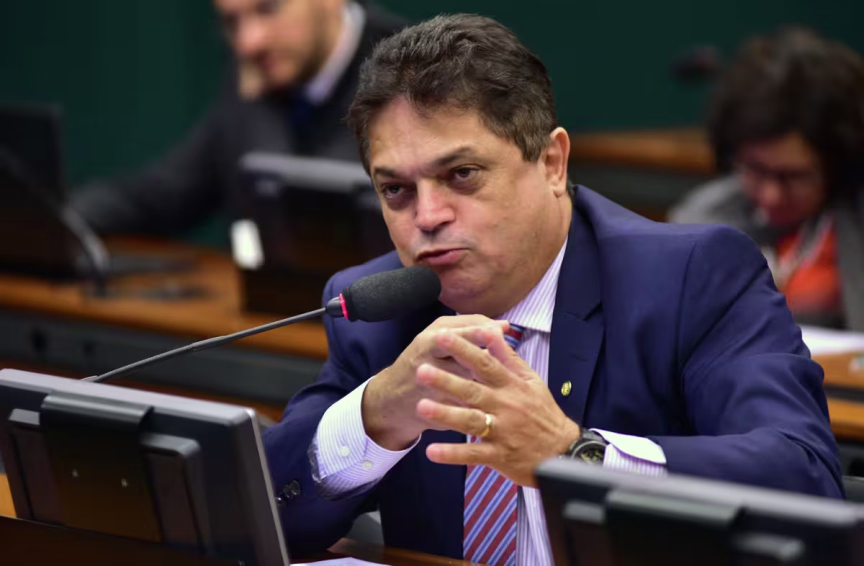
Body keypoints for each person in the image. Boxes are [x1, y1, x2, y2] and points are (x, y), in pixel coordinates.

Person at [263, 15, 842, 565]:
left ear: (552, 162)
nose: (428, 216)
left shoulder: (691, 277)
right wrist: (374, 415)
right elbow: (266, 514)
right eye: (396, 190)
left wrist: (575, 455)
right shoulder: (377, 310)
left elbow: (806, 477)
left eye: (461, 175)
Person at [70, 0, 405, 236]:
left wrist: (262, 106)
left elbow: (308, 221)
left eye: (268, 8)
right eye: (232, 22)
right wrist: (65, 220)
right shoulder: (264, 69)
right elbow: (164, 195)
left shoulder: (403, 72)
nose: (248, 43)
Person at [670, 28, 864, 330]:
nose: (770, 194)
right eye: (754, 169)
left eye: (793, 176)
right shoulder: (701, 220)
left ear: (837, 165)